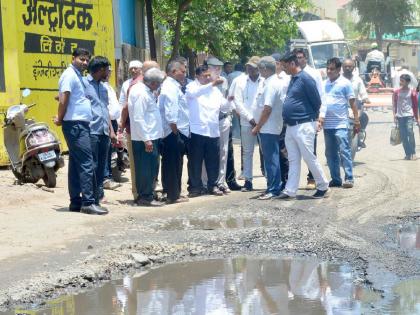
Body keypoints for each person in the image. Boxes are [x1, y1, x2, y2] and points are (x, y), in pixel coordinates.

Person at [54, 48, 107, 215]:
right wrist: (60, 118)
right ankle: (88, 202)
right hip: (75, 125)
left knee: (77, 164)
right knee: (87, 163)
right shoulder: (69, 75)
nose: (84, 62)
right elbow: (64, 98)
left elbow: (69, 97)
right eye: (81, 59)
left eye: (86, 60)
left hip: (80, 124)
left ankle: (76, 202)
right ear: (73, 58)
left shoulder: (77, 75)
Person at [277, 53, 329, 200]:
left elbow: (317, 101)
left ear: (292, 64)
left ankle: (323, 186)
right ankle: (290, 190)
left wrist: (312, 119)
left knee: (309, 157)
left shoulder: (306, 79)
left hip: (304, 124)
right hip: (291, 126)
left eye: (285, 66)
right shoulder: (293, 79)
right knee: (293, 159)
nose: (284, 69)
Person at [186, 65, 229, 197]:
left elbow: (224, 106)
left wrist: (230, 99)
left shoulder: (215, 91)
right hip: (197, 130)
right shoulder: (192, 86)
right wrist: (213, 84)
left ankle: (213, 185)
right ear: (197, 76)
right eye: (205, 76)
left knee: (213, 161)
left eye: (209, 75)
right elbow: (195, 94)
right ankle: (195, 187)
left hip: (213, 130)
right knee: (195, 161)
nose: (208, 78)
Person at [128, 68, 165, 206]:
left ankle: (148, 194)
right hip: (145, 138)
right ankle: (145, 197)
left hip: (150, 136)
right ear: (154, 83)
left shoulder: (146, 91)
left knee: (151, 167)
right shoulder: (140, 93)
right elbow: (138, 118)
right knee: (145, 169)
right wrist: (146, 139)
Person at [319, 58, 358, 188]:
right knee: (330, 153)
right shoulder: (324, 84)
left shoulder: (345, 83)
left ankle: (349, 178)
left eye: (332, 69)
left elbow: (352, 102)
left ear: (338, 70)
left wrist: (357, 120)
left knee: (344, 151)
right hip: (327, 125)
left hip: (341, 124)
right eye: (328, 69)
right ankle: (336, 179)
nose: (329, 71)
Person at [84, 56, 117, 204]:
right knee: (92, 165)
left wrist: (111, 131)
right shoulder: (83, 84)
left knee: (102, 165)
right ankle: (90, 198)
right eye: (107, 70)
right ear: (101, 70)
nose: (109, 73)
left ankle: (99, 195)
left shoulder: (103, 88)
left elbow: (105, 110)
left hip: (104, 131)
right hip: (91, 131)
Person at [252, 56, 285, 200]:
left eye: (259, 69)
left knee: (271, 159)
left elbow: (267, 109)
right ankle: (274, 186)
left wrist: (257, 126)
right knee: (272, 158)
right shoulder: (271, 82)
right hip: (270, 126)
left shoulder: (271, 84)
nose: (258, 72)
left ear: (265, 69)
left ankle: (273, 189)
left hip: (268, 127)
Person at [159, 59, 190, 204]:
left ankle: (172, 192)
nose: (185, 74)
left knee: (173, 163)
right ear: (173, 71)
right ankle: (173, 195)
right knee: (172, 163)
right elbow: (171, 113)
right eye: (182, 71)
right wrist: (175, 131)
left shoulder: (173, 86)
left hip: (173, 131)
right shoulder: (170, 87)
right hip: (172, 132)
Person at [232, 56, 264, 192]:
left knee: (266, 151)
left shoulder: (265, 81)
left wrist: (260, 121)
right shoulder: (239, 81)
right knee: (247, 152)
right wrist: (251, 119)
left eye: (253, 67)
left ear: (259, 68)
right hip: (247, 122)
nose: (249, 69)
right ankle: (248, 180)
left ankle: (271, 179)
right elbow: (237, 103)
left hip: (264, 122)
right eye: (248, 66)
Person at [293, 48, 323, 190]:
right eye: (296, 57)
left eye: (300, 57)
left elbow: (320, 96)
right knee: (294, 152)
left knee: (310, 150)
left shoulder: (313, 74)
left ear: (305, 58)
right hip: (295, 119)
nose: (298, 60)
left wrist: (319, 117)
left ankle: (313, 178)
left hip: (310, 117)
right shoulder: (291, 74)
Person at [119, 60, 143, 201]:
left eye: (136, 68)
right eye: (131, 69)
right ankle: (137, 192)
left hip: (145, 129)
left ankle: (148, 189)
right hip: (131, 128)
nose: (133, 71)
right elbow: (123, 105)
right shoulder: (127, 85)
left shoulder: (145, 83)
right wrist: (121, 124)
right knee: (134, 162)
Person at [272, 52, 290, 190]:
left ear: (278, 64)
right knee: (270, 152)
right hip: (268, 120)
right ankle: (273, 180)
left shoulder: (287, 79)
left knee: (282, 150)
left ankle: (286, 180)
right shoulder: (266, 78)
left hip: (282, 119)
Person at [342, 59, 370, 148]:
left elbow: (363, 92)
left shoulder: (358, 80)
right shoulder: (338, 79)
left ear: (353, 68)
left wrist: (365, 98)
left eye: (349, 66)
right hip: (341, 106)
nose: (347, 68)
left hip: (354, 105)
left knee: (364, 117)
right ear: (342, 68)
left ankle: (360, 135)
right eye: (345, 66)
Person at [103, 66, 122, 190]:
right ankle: (106, 178)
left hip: (114, 121)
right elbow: (105, 108)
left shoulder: (109, 86)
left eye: (110, 71)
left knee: (112, 151)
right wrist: (111, 129)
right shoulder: (102, 87)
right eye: (106, 71)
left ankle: (109, 176)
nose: (109, 73)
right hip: (107, 122)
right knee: (106, 151)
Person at [392, 74, 418, 160]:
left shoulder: (412, 92)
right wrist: (394, 115)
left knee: (410, 132)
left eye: (402, 81)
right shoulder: (396, 92)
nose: (400, 82)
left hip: (409, 115)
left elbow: (415, 105)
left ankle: (413, 153)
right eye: (400, 80)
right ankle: (407, 153)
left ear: (407, 82)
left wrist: (417, 117)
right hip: (400, 116)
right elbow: (394, 104)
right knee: (403, 135)